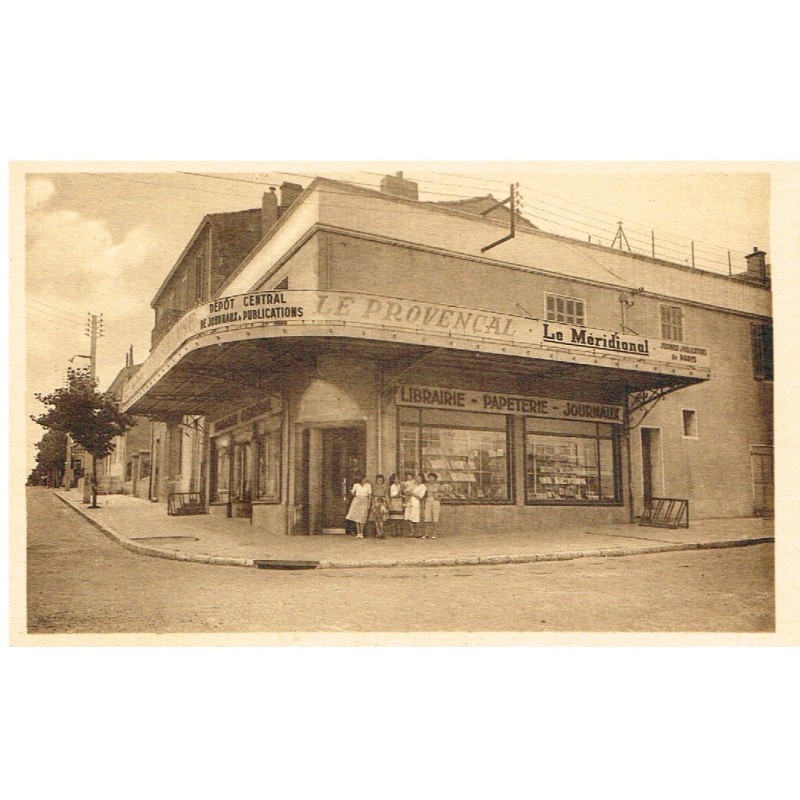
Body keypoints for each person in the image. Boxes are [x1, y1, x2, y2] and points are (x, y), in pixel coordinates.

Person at [404, 473, 427, 538]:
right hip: (409, 501)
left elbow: (420, 497)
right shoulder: (414, 485)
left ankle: (418, 532)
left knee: (416, 518)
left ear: (422, 479)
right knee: (408, 517)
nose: (417, 479)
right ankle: (412, 532)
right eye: (416, 478)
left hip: (416, 502)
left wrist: (413, 494)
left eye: (419, 478)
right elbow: (407, 491)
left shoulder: (423, 487)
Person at [422, 472, 441, 538]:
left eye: (432, 478)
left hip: (435, 501)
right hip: (428, 500)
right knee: (427, 516)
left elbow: (442, 493)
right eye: (430, 478)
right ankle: (426, 533)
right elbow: (424, 495)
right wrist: (423, 503)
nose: (431, 479)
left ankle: (434, 533)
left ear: (435, 479)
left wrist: (438, 498)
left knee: (435, 517)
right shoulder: (426, 485)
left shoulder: (438, 486)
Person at [369, 474, 389, 538]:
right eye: (378, 480)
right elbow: (372, 496)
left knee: (382, 517)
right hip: (376, 501)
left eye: (381, 480)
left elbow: (386, 495)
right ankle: (378, 533)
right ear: (376, 480)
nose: (379, 481)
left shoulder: (384, 487)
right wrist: (372, 503)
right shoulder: (374, 487)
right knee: (376, 517)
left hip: (382, 501)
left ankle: (382, 532)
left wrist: (388, 504)